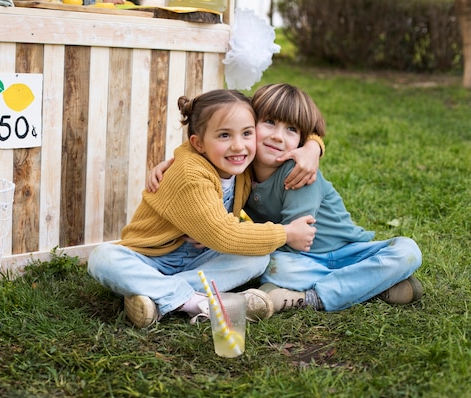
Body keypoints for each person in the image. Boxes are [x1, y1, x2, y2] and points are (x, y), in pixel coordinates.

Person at [152, 83, 423, 313]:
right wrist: (175, 163)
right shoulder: (239, 168)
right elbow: (208, 139)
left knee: (407, 251)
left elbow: (296, 238)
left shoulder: (299, 171)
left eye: (291, 130)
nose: (277, 137)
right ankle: (370, 287)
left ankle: (310, 298)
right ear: (249, 124)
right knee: (269, 266)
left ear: (301, 141)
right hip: (299, 263)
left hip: (347, 252)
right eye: (268, 122)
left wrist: (313, 148)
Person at [87, 89, 321, 328]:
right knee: (103, 258)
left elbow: (306, 126)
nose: (238, 146)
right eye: (224, 136)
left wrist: (314, 147)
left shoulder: (242, 163)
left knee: (257, 258)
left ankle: (156, 294)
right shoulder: (190, 175)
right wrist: (287, 233)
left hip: (200, 256)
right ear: (198, 144)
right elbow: (224, 235)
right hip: (152, 257)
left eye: (247, 133)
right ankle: (192, 301)